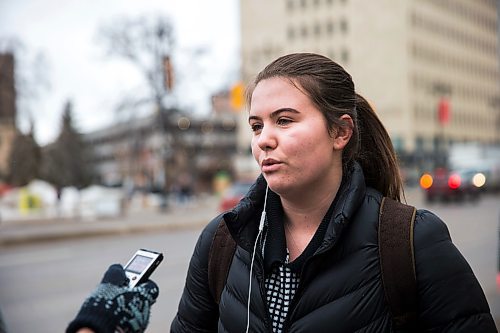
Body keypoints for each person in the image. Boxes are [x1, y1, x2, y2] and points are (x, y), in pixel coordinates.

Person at [68, 53, 496, 332]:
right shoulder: (220, 241)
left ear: (340, 131)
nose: (263, 140)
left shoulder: (411, 241)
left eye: (285, 120)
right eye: (256, 126)